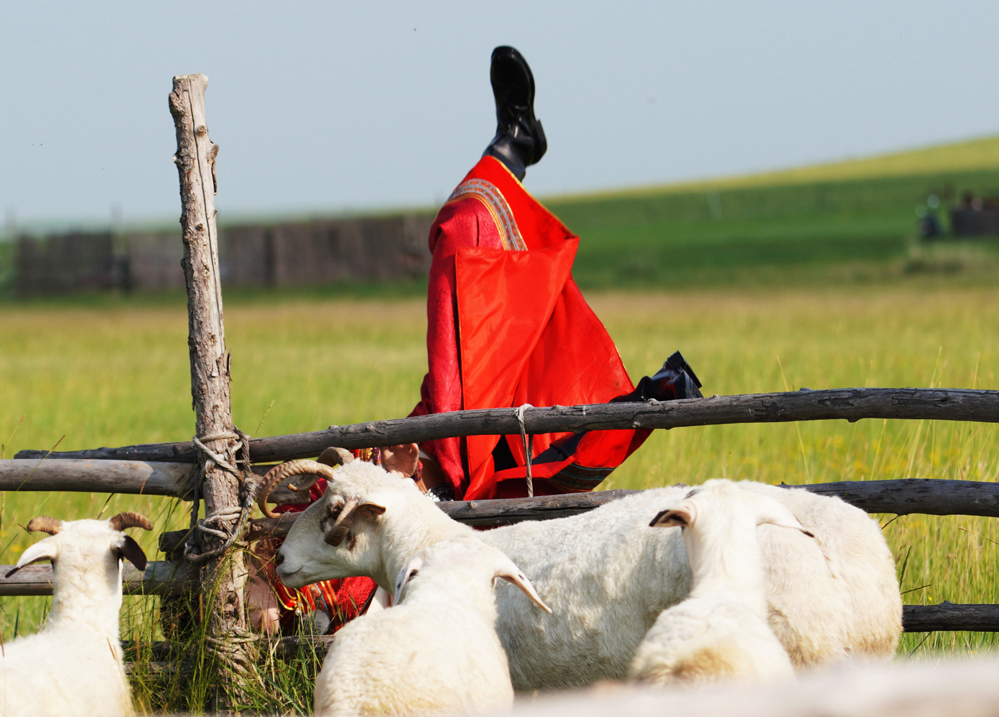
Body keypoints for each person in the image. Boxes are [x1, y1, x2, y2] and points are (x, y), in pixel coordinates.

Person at [253, 46, 701, 634]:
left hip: (433, 452)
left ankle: (512, 149)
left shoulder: (276, 541)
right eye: (248, 608)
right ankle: (512, 149)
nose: (251, 606)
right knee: (463, 245)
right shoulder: (314, 599)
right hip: (454, 471)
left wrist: (391, 465)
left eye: (245, 602)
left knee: (467, 265)